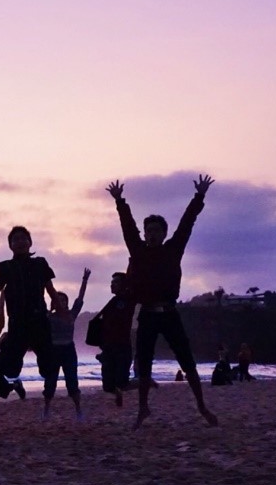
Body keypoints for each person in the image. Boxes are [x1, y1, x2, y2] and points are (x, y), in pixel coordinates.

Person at [106, 175, 218, 429]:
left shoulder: (173, 248)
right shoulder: (138, 250)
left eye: (157, 231)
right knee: (143, 363)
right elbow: (127, 228)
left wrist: (199, 196)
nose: (152, 234)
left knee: (187, 360)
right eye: (149, 231)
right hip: (146, 314)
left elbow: (187, 223)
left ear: (164, 233)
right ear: (145, 234)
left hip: (169, 313)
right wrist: (120, 201)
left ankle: (201, 405)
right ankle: (143, 408)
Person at [0, 226, 59, 410]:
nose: (20, 242)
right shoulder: (6, 267)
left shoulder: (40, 263)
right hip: (18, 324)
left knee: (48, 368)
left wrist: (63, 312)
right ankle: (15, 378)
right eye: (15, 239)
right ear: (10, 245)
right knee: (9, 369)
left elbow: (51, 290)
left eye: (23, 238)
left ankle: (45, 369)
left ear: (30, 242)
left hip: (39, 321)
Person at [44, 268, 90, 420]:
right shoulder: (48, 317)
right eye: (58, 299)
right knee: (50, 382)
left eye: (63, 300)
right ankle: (46, 410)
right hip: (53, 351)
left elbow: (80, 299)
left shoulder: (71, 315)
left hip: (69, 350)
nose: (61, 302)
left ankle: (78, 411)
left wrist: (85, 280)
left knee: (72, 382)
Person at [89, 272, 135, 407]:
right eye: (112, 282)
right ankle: (118, 393)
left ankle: (145, 382)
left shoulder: (128, 299)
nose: (112, 284)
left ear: (124, 285)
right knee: (107, 386)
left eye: (116, 282)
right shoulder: (113, 301)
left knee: (122, 382)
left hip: (122, 346)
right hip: (108, 347)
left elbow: (133, 283)